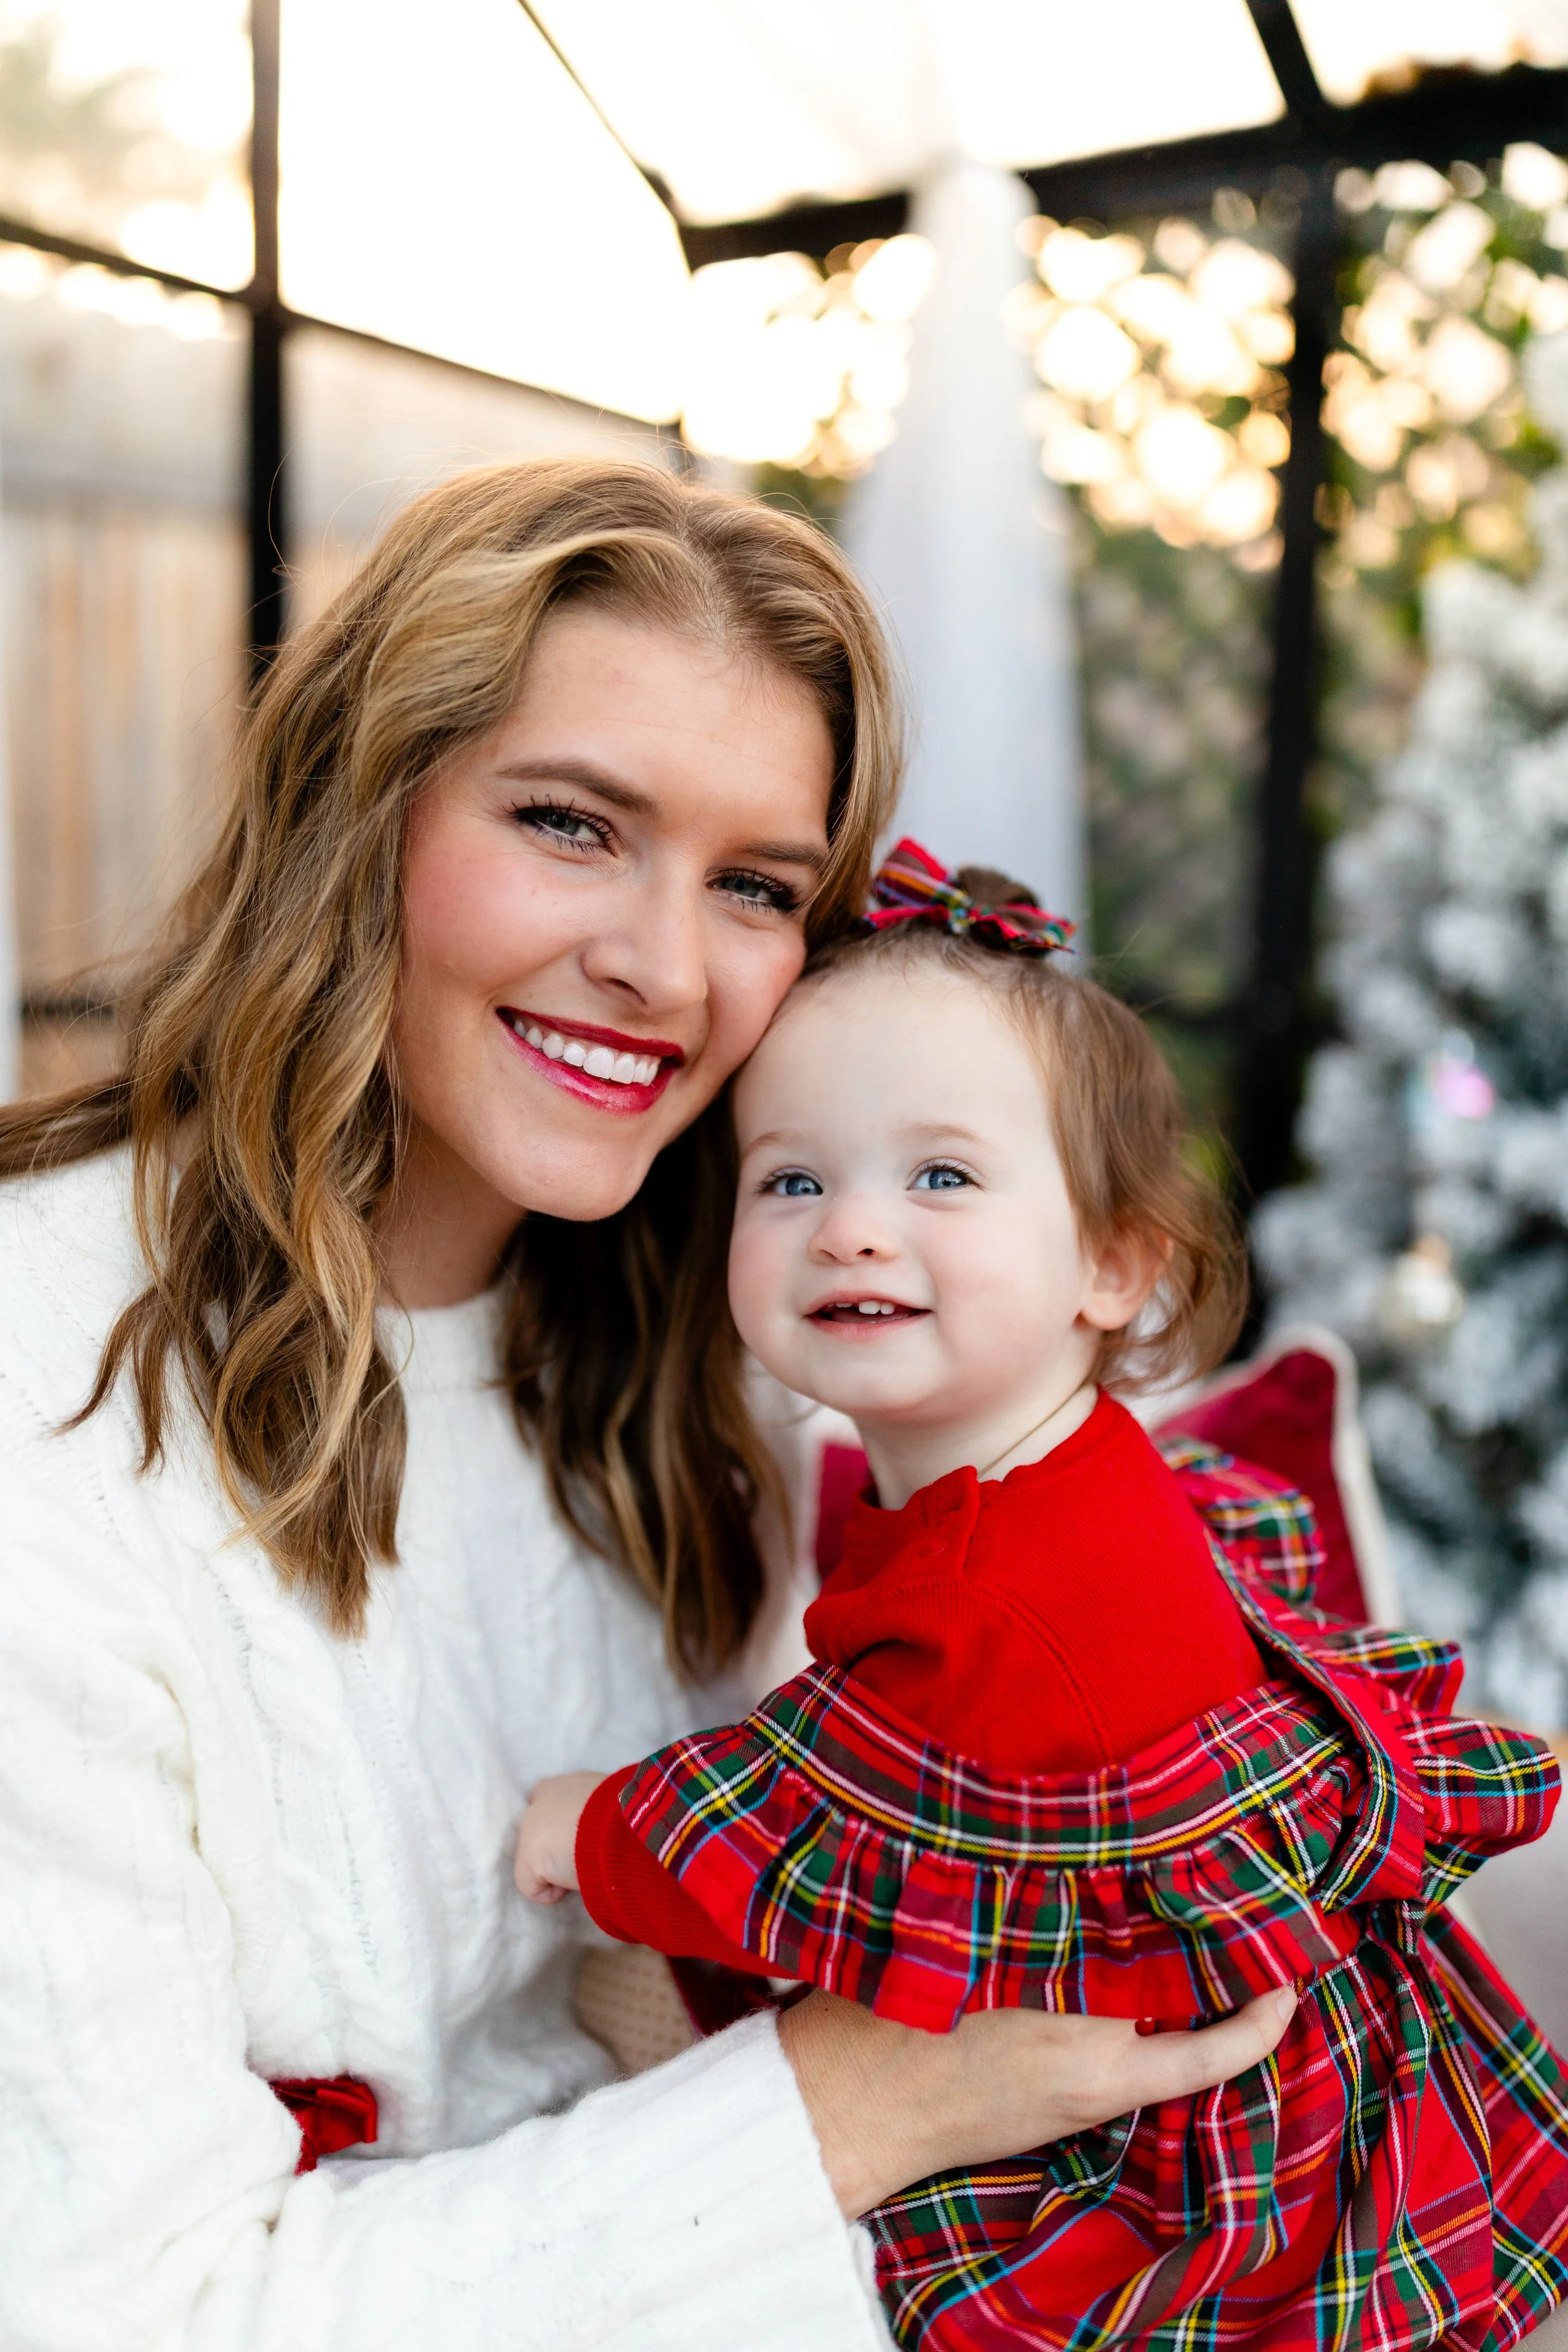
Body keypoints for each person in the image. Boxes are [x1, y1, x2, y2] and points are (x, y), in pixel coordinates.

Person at [0, 464, 1296, 2352]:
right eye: (569, 823)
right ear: (356, 818)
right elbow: (118, 2306)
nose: (666, 967)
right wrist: (875, 2093)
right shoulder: (45, 1392)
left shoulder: (728, 1353)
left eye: (757, 884)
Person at [515, 842, 1568, 2351]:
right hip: (1223, 2021)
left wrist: (594, 1831)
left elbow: (819, 1810)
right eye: (790, 1177)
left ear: (1113, 1262)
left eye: (939, 1176)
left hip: (1182, 2170)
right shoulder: (1061, 1459)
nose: (852, 1228)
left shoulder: (985, 1580)